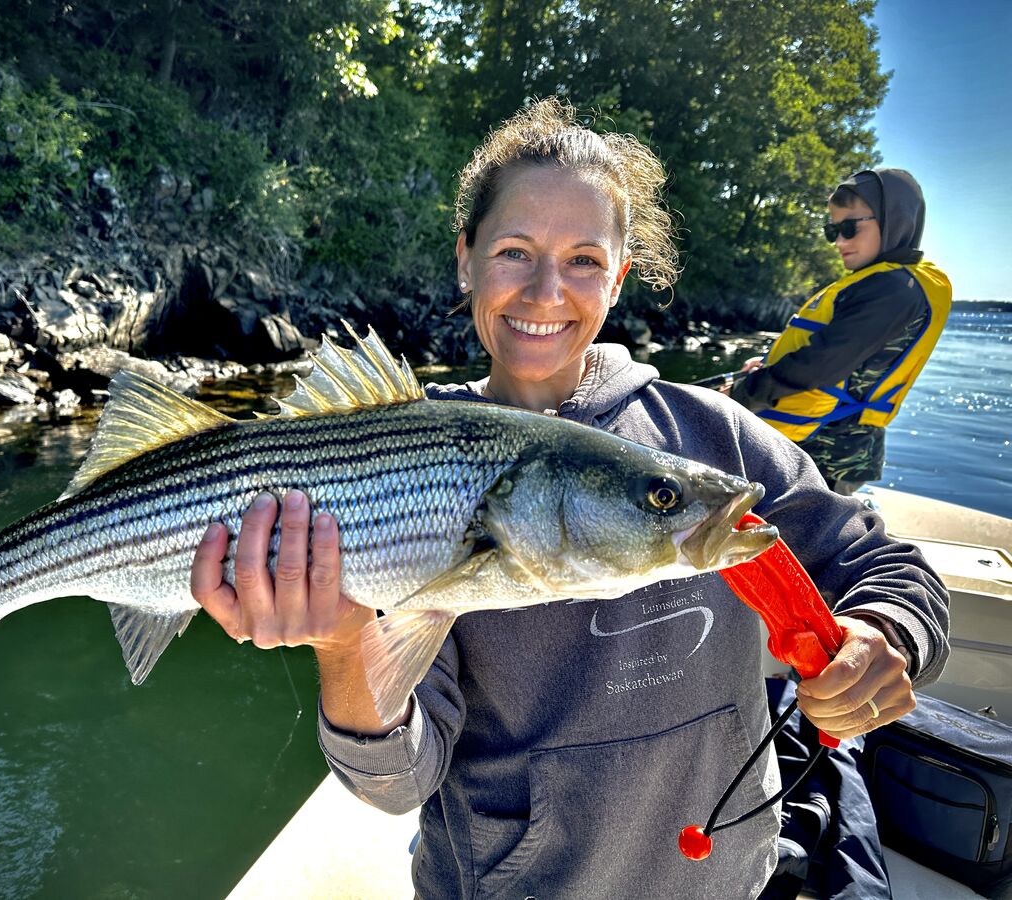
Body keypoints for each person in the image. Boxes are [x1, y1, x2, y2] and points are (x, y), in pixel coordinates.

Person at [189, 100, 949, 897]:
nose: (547, 290)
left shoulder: (714, 439)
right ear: (466, 259)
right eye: (515, 251)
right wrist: (346, 651)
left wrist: (883, 635)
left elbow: (883, 563)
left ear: (620, 278)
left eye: (585, 259)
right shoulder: (411, 460)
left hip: (727, 879)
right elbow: (395, 783)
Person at [726, 169, 953, 494]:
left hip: (829, 448)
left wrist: (748, 390)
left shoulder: (894, 290)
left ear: (895, 221)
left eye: (849, 228)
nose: (840, 242)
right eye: (832, 230)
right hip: (827, 440)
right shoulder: (883, 282)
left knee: (806, 533)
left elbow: (823, 362)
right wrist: (766, 364)